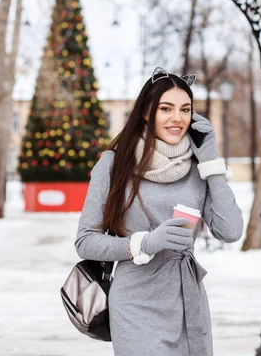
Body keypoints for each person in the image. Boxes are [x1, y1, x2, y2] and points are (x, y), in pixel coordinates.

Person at [75, 67, 244, 356]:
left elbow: (230, 231)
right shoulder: (114, 165)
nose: (177, 118)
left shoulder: (197, 168)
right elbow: (85, 241)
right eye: (166, 108)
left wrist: (212, 163)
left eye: (185, 109)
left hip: (187, 299)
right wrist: (144, 243)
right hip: (135, 302)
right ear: (146, 112)